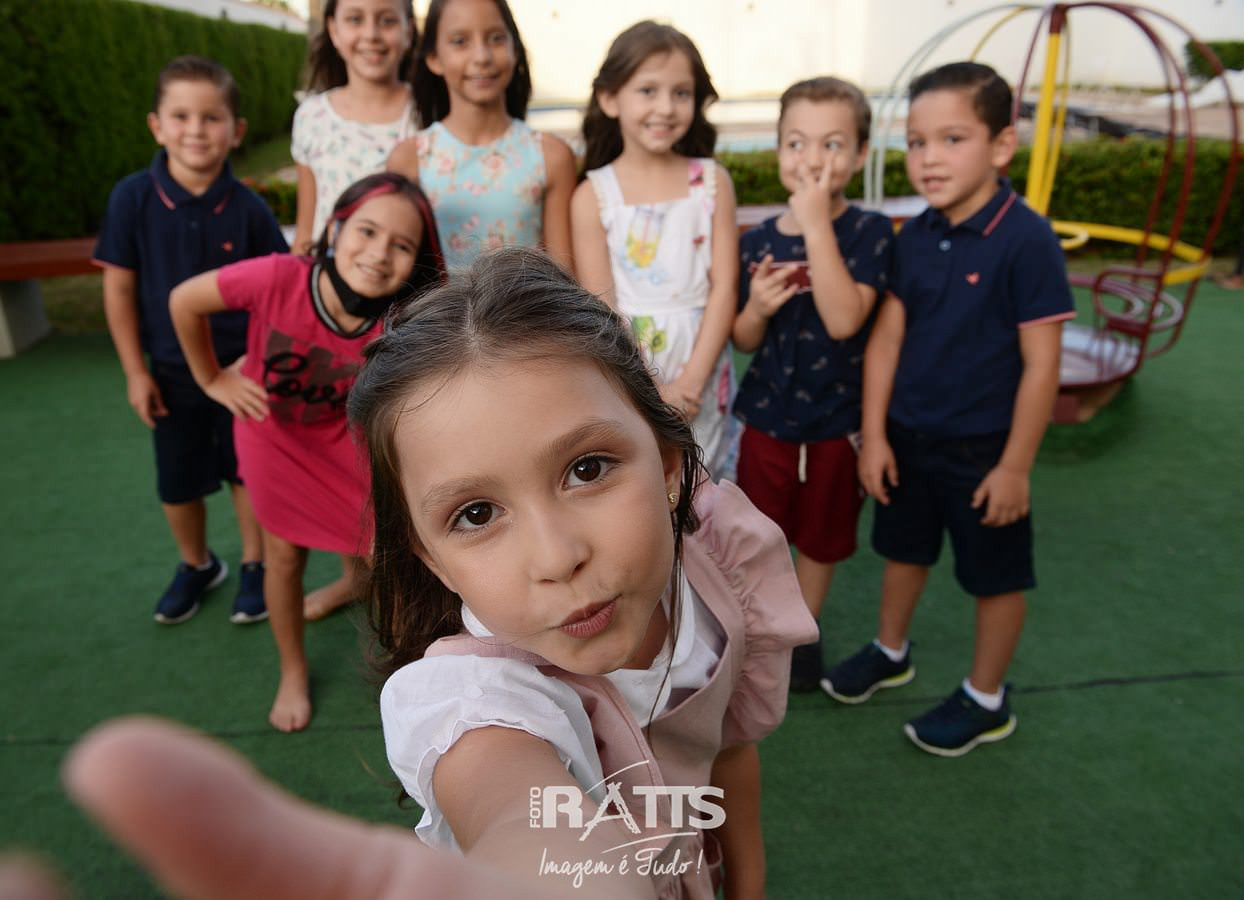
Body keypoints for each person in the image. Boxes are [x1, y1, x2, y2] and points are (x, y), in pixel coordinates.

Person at [348, 248, 818, 897]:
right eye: (476, 514)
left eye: (587, 469)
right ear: (432, 560)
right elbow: (515, 817)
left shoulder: (719, 572)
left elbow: (730, 750)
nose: (556, 557)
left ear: (668, 460)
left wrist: (748, 884)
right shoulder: (478, 704)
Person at [823, 62, 1074, 757]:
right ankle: (891, 650)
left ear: (1002, 145)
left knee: (996, 577)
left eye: (952, 139)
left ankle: (987, 698)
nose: (929, 158)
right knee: (903, 551)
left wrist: (1016, 467)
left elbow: (1043, 365)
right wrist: (876, 435)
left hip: (984, 452)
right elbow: (887, 341)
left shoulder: (1028, 240)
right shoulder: (913, 235)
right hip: (908, 439)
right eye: (917, 142)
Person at [170, 172, 445, 732]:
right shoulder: (279, 278)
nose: (378, 253)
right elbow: (184, 300)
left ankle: (409, 664)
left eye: (401, 245)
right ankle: (293, 670)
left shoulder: (402, 318)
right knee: (284, 557)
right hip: (273, 438)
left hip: (346, 441)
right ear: (335, 228)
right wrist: (212, 378)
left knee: (384, 551)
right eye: (366, 231)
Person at [93, 56, 288, 628]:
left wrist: (258, 362)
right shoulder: (132, 198)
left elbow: (276, 291)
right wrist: (135, 371)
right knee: (177, 483)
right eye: (181, 116)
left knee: (244, 473)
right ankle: (197, 564)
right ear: (157, 126)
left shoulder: (250, 210)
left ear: (237, 130)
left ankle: (253, 564)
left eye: (211, 117)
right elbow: (118, 290)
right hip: (171, 371)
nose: (196, 130)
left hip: (241, 373)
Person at [731, 77, 894, 692]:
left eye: (833, 144)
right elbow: (743, 339)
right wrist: (756, 309)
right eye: (796, 143)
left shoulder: (870, 232)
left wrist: (816, 224)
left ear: (860, 154)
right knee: (758, 535)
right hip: (768, 419)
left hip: (836, 422)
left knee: (823, 538)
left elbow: (845, 319)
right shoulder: (757, 241)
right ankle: (760, 630)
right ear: (778, 150)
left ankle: (803, 632)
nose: (812, 159)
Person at [571, 21, 739, 481]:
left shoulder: (712, 183)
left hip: (703, 362)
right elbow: (602, 305)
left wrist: (692, 380)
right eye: (648, 90)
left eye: (681, 93)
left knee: (708, 484)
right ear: (610, 99)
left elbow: (725, 287)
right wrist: (650, 388)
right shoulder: (592, 196)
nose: (666, 107)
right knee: (646, 481)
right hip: (632, 366)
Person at [385, 0, 575, 273]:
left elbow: (563, 274)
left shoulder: (551, 156)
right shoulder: (409, 159)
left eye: (496, 38)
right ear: (434, 58)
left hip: (528, 303)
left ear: (515, 49)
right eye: (460, 41)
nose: (482, 56)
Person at [291, 0, 419, 257]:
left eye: (387, 20)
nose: (371, 34)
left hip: (409, 279)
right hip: (327, 276)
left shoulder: (429, 115)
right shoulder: (312, 116)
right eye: (355, 19)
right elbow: (306, 231)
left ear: (409, 31)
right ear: (334, 30)